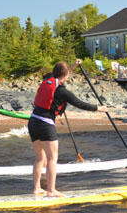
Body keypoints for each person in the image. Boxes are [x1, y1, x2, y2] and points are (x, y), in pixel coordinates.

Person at [29, 59, 108, 196]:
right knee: (52, 158)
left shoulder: (48, 79)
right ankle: (51, 190)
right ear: (66, 75)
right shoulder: (62, 92)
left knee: (40, 158)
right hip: (45, 123)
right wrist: (98, 109)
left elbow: (62, 73)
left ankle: (36, 189)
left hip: (33, 121)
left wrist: (73, 66)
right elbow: (79, 103)